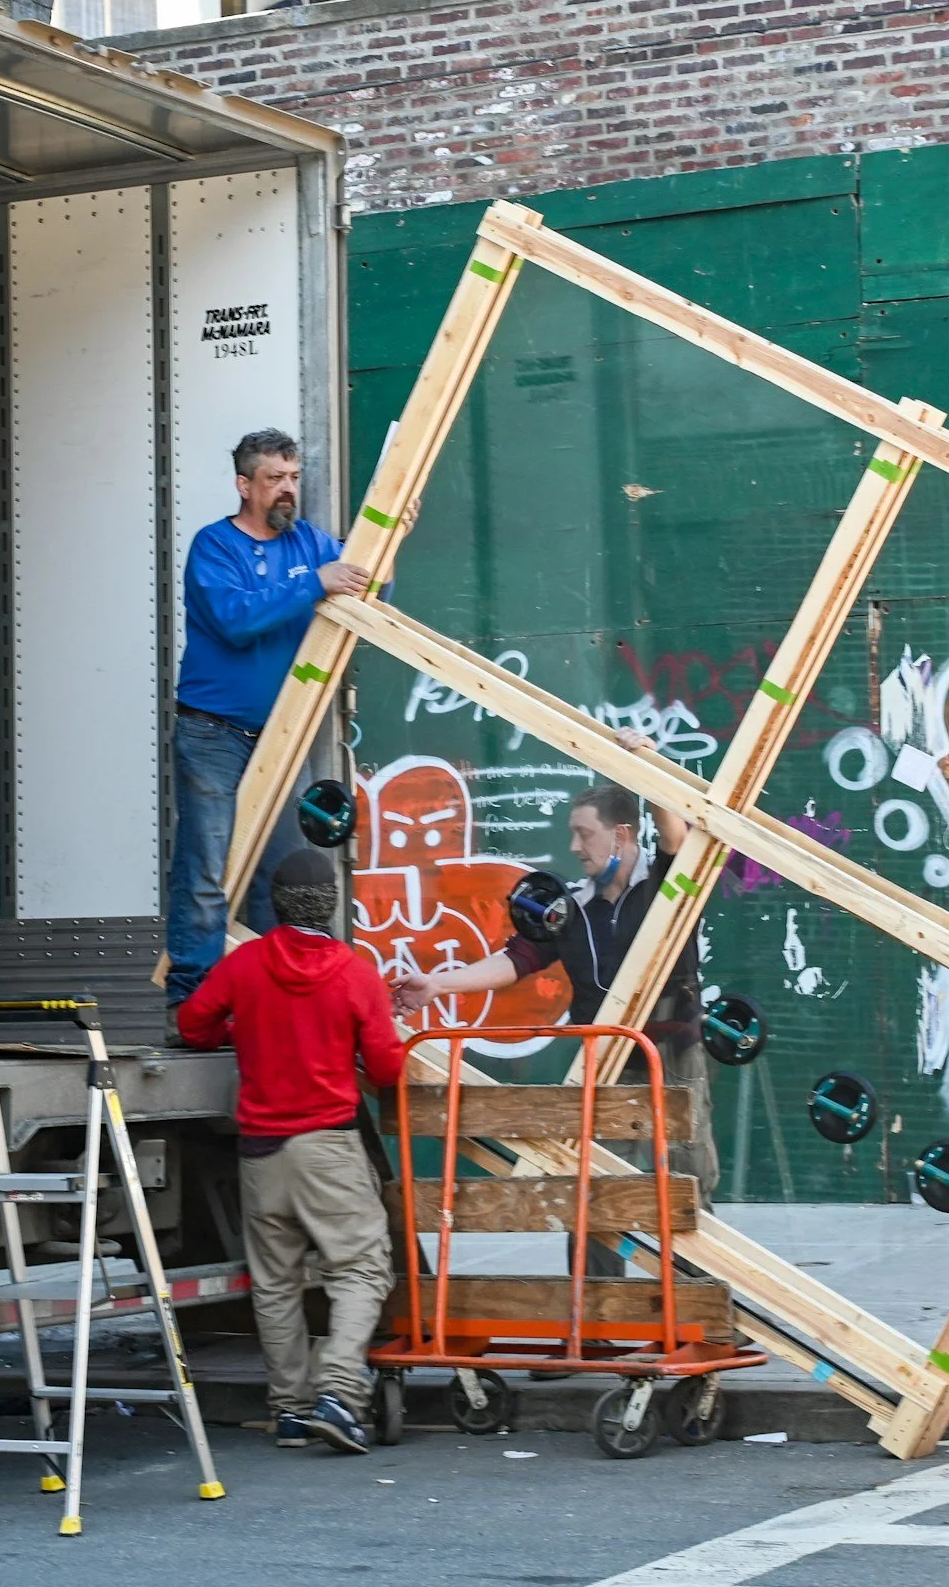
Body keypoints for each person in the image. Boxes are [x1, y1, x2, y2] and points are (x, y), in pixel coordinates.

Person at [388, 728, 717, 1201]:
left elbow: (674, 835)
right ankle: (598, 1278)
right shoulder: (571, 905)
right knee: (599, 1189)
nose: (576, 847)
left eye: (584, 834)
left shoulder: (666, 884)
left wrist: (646, 758)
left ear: (621, 834)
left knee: (689, 1179)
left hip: (673, 1049)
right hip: (606, 1060)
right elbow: (515, 960)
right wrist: (437, 986)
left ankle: (692, 1272)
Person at [176, 848, 406, 1455]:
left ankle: (291, 1412)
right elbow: (386, 1068)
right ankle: (338, 1392)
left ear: (276, 905)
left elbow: (193, 1024)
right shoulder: (353, 972)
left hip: (260, 1153)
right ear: (331, 904)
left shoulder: (245, 965)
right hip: (326, 1148)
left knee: (275, 1284)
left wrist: (241, 1028)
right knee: (361, 1267)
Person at [167, 429, 371, 1007]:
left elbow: (371, 588)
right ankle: (192, 1005)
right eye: (275, 480)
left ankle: (273, 1008)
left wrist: (394, 535)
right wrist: (313, 583)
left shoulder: (309, 542)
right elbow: (235, 618)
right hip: (212, 733)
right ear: (244, 485)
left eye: (294, 478)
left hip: (284, 734)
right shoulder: (215, 546)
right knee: (206, 870)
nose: (288, 490)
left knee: (280, 876)